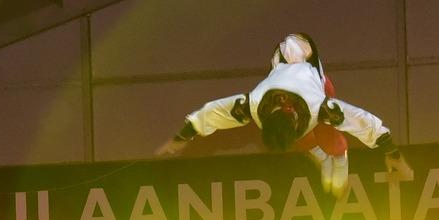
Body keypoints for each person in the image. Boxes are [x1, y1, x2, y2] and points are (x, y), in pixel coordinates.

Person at [161, 32, 394, 194]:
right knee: (299, 138)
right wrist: (184, 135)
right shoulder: (255, 105)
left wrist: (386, 147)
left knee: (326, 131)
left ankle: (339, 159)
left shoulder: (315, 102)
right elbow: (215, 113)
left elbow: (360, 121)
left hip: (321, 90)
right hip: (291, 95)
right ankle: (323, 158)